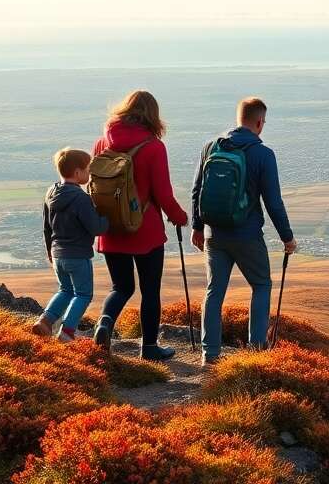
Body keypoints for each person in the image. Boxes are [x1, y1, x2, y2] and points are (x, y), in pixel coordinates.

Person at [191, 97, 297, 366]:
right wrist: (287, 237)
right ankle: (256, 351)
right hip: (247, 235)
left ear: (239, 118)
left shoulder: (211, 147)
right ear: (260, 122)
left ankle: (209, 355)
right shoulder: (263, 155)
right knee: (261, 285)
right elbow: (273, 201)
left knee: (215, 290)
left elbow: (196, 191)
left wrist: (197, 227)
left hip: (215, 234)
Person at [90, 90, 189, 360]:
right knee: (149, 290)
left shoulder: (102, 144)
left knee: (120, 287)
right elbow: (163, 194)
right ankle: (149, 347)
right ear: (152, 115)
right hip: (145, 232)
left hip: (110, 229)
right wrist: (180, 217)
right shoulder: (153, 147)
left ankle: (104, 323)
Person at [34, 148, 109, 342]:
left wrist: (50, 251)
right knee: (83, 294)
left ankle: (45, 320)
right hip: (78, 255)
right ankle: (67, 332)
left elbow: (46, 226)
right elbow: (95, 228)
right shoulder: (81, 199)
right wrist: (108, 218)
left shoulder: (51, 192)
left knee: (65, 290)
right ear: (77, 172)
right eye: (87, 170)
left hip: (58, 253)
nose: (89, 173)